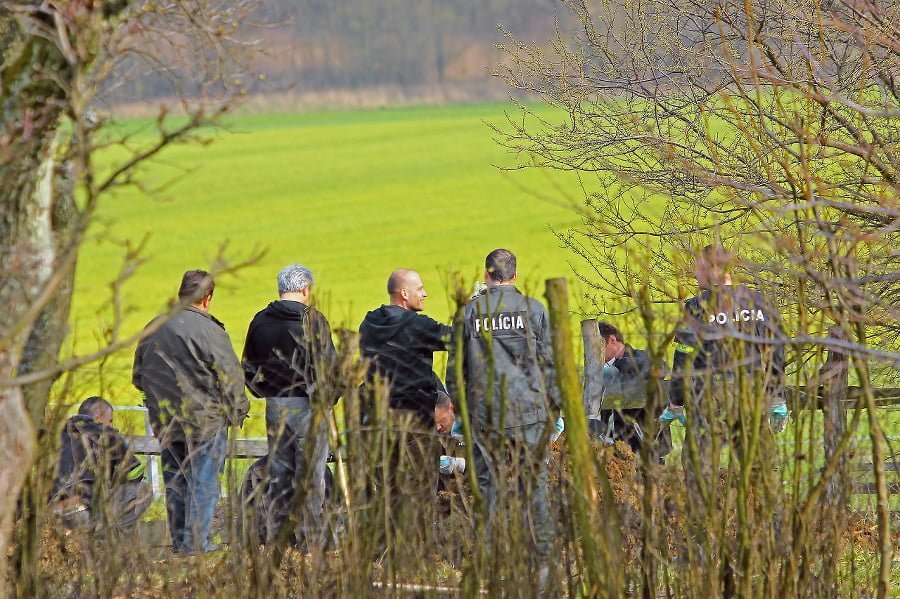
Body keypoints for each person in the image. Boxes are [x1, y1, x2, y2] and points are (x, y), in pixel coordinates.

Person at [446, 248, 560, 588]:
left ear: (486, 274)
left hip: (485, 416)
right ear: (514, 276)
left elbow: (455, 371)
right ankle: (540, 563)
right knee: (534, 487)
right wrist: (553, 410)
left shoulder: (469, 313)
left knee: (487, 488)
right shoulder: (535, 310)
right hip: (529, 415)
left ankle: (491, 561)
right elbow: (551, 366)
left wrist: (461, 411)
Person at [132, 270, 249, 555]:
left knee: (176, 481)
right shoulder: (210, 331)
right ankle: (197, 545)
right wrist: (238, 411)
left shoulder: (153, 327)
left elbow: (138, 376)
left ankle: (181, 541)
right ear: (207, 299)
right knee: (204, 482)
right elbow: (231, 377)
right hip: (204, 421)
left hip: (166, 420)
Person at [357, 268, 452, 572]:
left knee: (387, 487)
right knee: (421, 488)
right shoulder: (419, 325)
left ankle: (384, 556)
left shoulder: (369, 324)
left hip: (379, 418)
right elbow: (456, 337)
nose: (425, 294)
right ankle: (418, 558)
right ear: (404, 294)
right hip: (414, 418)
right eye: (421, 289)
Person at [665, 245, 788, 480]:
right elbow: (777, 350)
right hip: (750, 391)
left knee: (699, 469)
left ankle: (702, 514)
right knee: (761, 466)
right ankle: (766, 512)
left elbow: (682, 356)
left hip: (710, 393)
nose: (694, 275)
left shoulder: (696, 307)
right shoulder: (757, 301)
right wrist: (776, 396)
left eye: (698, 269)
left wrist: (676, 401)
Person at [241, 263, 339, 550]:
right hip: (308, 407)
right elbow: (329, 369)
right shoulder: (313, 321)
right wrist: (329, 399)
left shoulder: (260, 320)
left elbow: (248, 367)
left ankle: (279, 536)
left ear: (280, 289)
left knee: (280, 472)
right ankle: (308, 539)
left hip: (275, 406)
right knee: (310, 474)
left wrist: (265, 392)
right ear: (306, 289)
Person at [49, 396, 151, 532]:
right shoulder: (105, 434)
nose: (111, 425)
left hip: (50, 510)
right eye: (110, 421)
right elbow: (134, 473)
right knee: (144, 490)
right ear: (99, 416)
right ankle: (109, 538)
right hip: (84, 508)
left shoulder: (56, 436)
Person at [585, 322, 671, 459]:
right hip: (618, 451)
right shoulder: (600, 371)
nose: (595, 354)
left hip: (648, 450)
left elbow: (660, 368)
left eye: (598, 348)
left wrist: (617, 363)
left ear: (612, 340)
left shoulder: (639, 356)